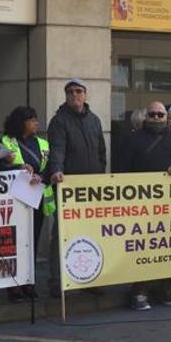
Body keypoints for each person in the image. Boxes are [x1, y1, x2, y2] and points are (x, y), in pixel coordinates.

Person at [116, 101, 171, 310]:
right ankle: (139, 290)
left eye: (161, 115)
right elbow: (121, 169)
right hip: (141, 205)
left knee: (170, 246)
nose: (157, 118)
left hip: (170, 205)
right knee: (142, 248)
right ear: (146, 117)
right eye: (153, 114)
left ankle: (170, 288)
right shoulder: (132, 139)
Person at [45, 78, 106, 297]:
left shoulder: (95, 120)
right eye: (70, 91)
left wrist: (100, 175)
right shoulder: (59, 121)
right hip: (68, 186)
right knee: (62, 233)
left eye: (79, 91)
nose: (75, 95)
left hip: (91, 187)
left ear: (85, 95)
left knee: (90, 232)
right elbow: (57, 149)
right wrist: (57, 170)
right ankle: (57, 281)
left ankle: (90, 277)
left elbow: (101, 151)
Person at [0, 106, 53, 302]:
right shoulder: (6, 142)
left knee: (32, 243)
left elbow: (51, 166)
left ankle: (28, 282)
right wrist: (17, 167)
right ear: (21, 122)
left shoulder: (43, 143)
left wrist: (42, 176)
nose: (36, 123)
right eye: (32, 120)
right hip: (14, 201)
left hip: (36, 199)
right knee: (13, 244)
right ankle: (13, 286)